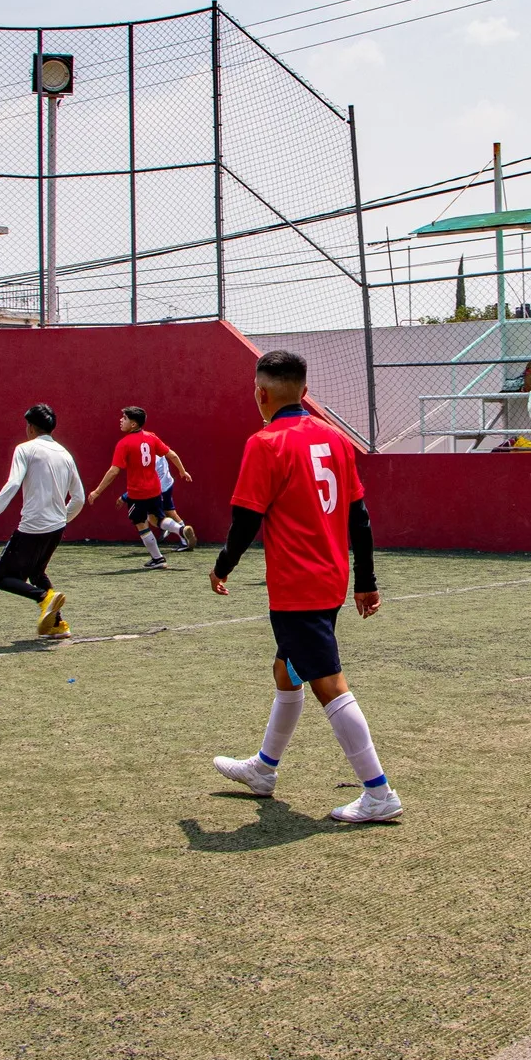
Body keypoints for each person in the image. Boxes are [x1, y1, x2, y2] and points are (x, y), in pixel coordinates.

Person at [209, 350, 399, 824]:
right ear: (306, 392)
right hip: (330, 578)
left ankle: (378, 792)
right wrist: (367, 580)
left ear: (262, 394)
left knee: (329, 684)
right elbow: (360, 517)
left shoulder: (265, 442)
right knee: (286, 671)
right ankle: (263, 769)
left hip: (297, 584)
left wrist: (222, 566)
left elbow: (245, 519)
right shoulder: (336, 439)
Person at [0, 402, 84, 638]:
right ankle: (57, 625)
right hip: (56, 527)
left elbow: (13, 483)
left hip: (33, 526)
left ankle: (44, 597)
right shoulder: (65, 454)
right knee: (37, 572)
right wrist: (62, 518)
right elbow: (79, 497)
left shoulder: (25, 449)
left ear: (30, 427)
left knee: (1, 577)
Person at [86, 406, 190, 569]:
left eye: (125, 418)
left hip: (137, 493)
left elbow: (114, 471)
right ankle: (180, 529)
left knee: (141, 524)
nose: (121, 420)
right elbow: (172, 454)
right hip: (155, 490)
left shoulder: (124, 444)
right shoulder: (152, 437)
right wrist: (182, 471)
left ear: (133, 424)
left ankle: (157, 559)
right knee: (158, 518)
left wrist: (97, 491)